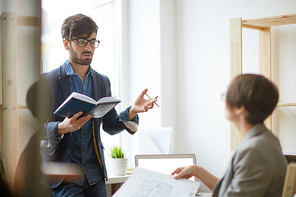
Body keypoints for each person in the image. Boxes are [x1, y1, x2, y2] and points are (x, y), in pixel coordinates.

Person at [40, 13, 157, 197]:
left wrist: (133, 110)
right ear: (66, 44)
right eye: (81, 42)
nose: (88, 48)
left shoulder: (102, 81)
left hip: (95, 178)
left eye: (92, 42)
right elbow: (32, 130)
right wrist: (61, 128)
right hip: (65, 178)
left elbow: (110, 126)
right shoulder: (48, 81)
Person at [172, 74, 287, 197]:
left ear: (240, 108)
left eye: (226, 95)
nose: (224, 100)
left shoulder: (254, 150)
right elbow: (232, 191)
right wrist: (197, 170)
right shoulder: (265, 140)